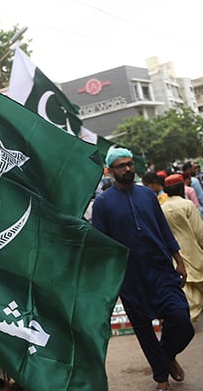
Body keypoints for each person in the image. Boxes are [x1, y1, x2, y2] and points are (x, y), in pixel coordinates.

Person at [91, 147, 194, 391]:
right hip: (130, 277)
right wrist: (108, 282)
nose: (128, 169)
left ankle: (167, 355)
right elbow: (102, 245)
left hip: (161, 270)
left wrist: (178, 259)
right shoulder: (103, 203)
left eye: (130, 164)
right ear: (110, 171)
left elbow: (163, 228)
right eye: (121, 166)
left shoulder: (147, 195)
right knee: (144, 331)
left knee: (181, 320)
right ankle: (161, 376)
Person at [161, 174, 203, 322]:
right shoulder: (187, 205)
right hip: (193, 252)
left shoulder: (162, 208)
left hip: (175, 256)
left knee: (187, 290)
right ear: (181, 189)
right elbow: (199, 232)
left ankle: (187, 318)